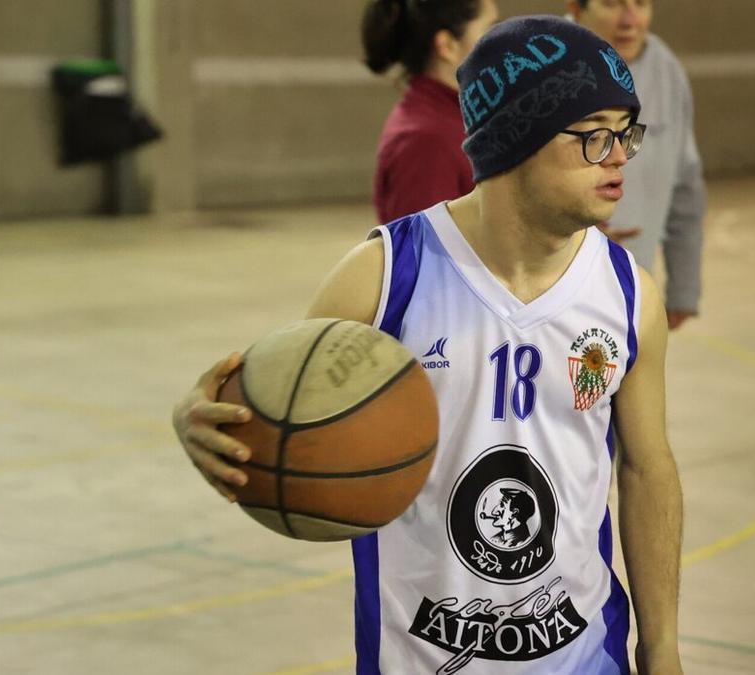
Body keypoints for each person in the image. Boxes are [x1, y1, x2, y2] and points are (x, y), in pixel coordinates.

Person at [175, 16, 684, 675]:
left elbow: (647, 469)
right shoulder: (386, 275)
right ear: (516, 141)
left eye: (626, 132)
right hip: (418, 657)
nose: (620, 156)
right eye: (593, 136)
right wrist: (194, 411)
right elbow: (278, 408)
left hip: (585, 656)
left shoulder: (630, 296)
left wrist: (663, 646)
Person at [567, 0, 706, 330]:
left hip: (633, 291)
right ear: (576, 7)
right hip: (556, 288)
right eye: (612, 3)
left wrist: (684, 287)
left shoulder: (666, 70)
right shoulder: (541, 67)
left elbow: (686, 187)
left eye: (640, 3)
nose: (630, 20)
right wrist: (569, 232)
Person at [362, 0, 499, 223]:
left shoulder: (458, 118)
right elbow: (423, 252)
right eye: (490, 29)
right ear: (447, 46)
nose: (502, 43)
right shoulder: (425, 139)